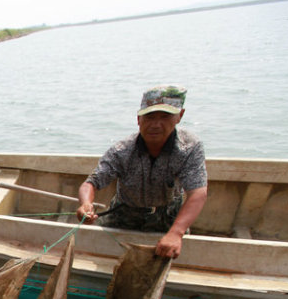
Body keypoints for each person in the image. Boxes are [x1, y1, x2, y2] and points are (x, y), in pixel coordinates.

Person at [76, 85, 208, 259]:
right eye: (150, 117)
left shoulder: (190, 147)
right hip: (124, 216)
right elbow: (91, 182)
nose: (156, 124)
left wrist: (176, 233)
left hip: (168, 219)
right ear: (139, 119)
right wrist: (85, 204)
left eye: (165, 117)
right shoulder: (122, 150)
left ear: (179, 116)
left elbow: (197, 193)